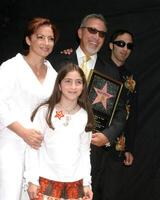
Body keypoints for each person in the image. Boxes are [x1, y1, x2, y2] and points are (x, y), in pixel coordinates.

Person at [50, 13, 127, 199]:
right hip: (56, 148)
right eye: (92, 30)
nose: (96, 37)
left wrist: (107, 136)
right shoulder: (57, 61)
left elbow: (120, 111)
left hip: (93, 154)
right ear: (80, 32)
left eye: (101, 34)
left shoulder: (111, 71)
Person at [0, 17, 58, 200]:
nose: (46, 43)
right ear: (28, 39)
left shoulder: (54, 75)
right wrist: (24, 132)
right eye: (41, 37)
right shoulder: (10, 67)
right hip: (11, 142)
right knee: (9, 193)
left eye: (50, 38)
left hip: (40, 148)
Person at [24, 62, 94, 200]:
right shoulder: (46, 112)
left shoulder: (85, 116)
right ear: (59, 85)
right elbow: (33, 147)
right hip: (45, 183)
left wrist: (86, 182)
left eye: (78, 82)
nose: (73, 87)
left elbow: (85, 151)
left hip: (75, 185)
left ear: (83, 86)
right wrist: (31, 179)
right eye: (68, 81)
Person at [96, 29, 137, 200]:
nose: (124, 48)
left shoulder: (131, 79)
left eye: (129, 45)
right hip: (93, 141)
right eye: (120, 43)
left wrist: (130, 148)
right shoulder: (97, 66)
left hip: (117, 146)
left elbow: (132, 114)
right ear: (111, 45)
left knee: (110, 193)